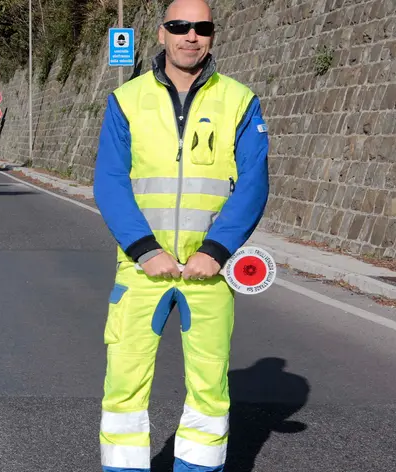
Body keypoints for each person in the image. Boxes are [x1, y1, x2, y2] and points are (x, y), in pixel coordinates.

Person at [92, 0, 269, 470]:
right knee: (124, 388)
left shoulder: (240, 100)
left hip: (208, 274)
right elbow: (109, 181)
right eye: (180, 26)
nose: (191, 35)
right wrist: (144, 250)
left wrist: (216, 250)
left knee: (209, 391)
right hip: (141, 270)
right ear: (161, 33)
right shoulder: (126, 100)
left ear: (212, 34)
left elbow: (254, 183)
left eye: (202, 27)